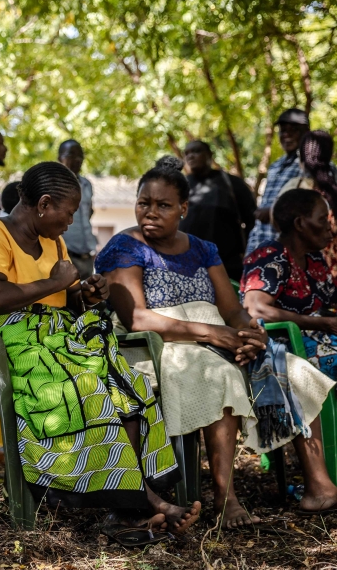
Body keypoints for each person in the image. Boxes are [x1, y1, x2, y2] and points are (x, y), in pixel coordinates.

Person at [0, 161, 199, 543]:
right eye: (71, 210)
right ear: (45, 204)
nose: (74, 219)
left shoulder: (53, 240)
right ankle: (144, 504)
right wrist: (53, 283)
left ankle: (124, 509)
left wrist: (84, 294)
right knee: (83, 389)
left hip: (46, 339)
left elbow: (60, 300)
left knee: (126, 384)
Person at [97, 159, 336, 527]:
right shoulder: (126, 246)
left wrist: (248, 334)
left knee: (294, 370)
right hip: (163, 345)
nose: (151, 213)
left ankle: (319, 488)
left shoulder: (204, 248)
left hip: (218, 337)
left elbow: (232, 310)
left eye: (163, 205)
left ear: (183, 209)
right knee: (216, 374)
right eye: (144, 202)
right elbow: (137, 319)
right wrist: (210, 333)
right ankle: (227, 500)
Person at [243, 188, 337, 380]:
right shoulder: (271, 255)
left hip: (318, 338)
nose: (330, 227)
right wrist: (321, 323)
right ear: (300, 223)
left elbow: (331, 300)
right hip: (283, 344)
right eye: (322, 219)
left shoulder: (314, 258)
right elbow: (255, 309)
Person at [179, 140, 256, 281]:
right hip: (186, 266)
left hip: (227, 267)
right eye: (187, 153)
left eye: (196, 151)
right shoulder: (179, 186)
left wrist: (249, 256)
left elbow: (252, 221)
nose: (190, 156)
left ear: (209, 155)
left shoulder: (232, 184)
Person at [246, 108, 311, 256]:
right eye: (282, 130)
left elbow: (315, 208)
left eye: (293, 130)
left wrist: (272, 212)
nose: (286, 134)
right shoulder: (275, 165)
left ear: (306, 132)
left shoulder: (312, 166)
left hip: (288, 252)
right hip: (259, 245)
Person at [275, 130, 337, 279]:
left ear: (302, 158)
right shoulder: (333, 188)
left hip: (303, 274)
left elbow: (276, 223)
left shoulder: (294, 188)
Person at [57, 139, 97, 278]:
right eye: (71, 155)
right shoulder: (54, 183)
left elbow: (88, 212)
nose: (77, 159)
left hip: (86, 256)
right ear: (59, 158)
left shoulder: (87, 184)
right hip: (64, 256)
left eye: (80, 155)